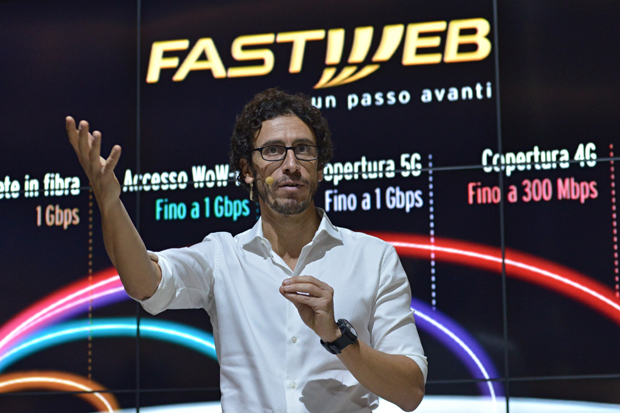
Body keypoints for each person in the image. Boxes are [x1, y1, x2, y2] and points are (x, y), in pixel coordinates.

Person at [66, 88, 427, 412]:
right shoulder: (222, 256)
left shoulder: (373, 258)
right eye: (273, 151)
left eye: (303, 150)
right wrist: (109, 201)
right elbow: (144, 283)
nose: (290, 165)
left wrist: (337, 337)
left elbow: (410, 392)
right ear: (248, 171)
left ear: (319, 169)